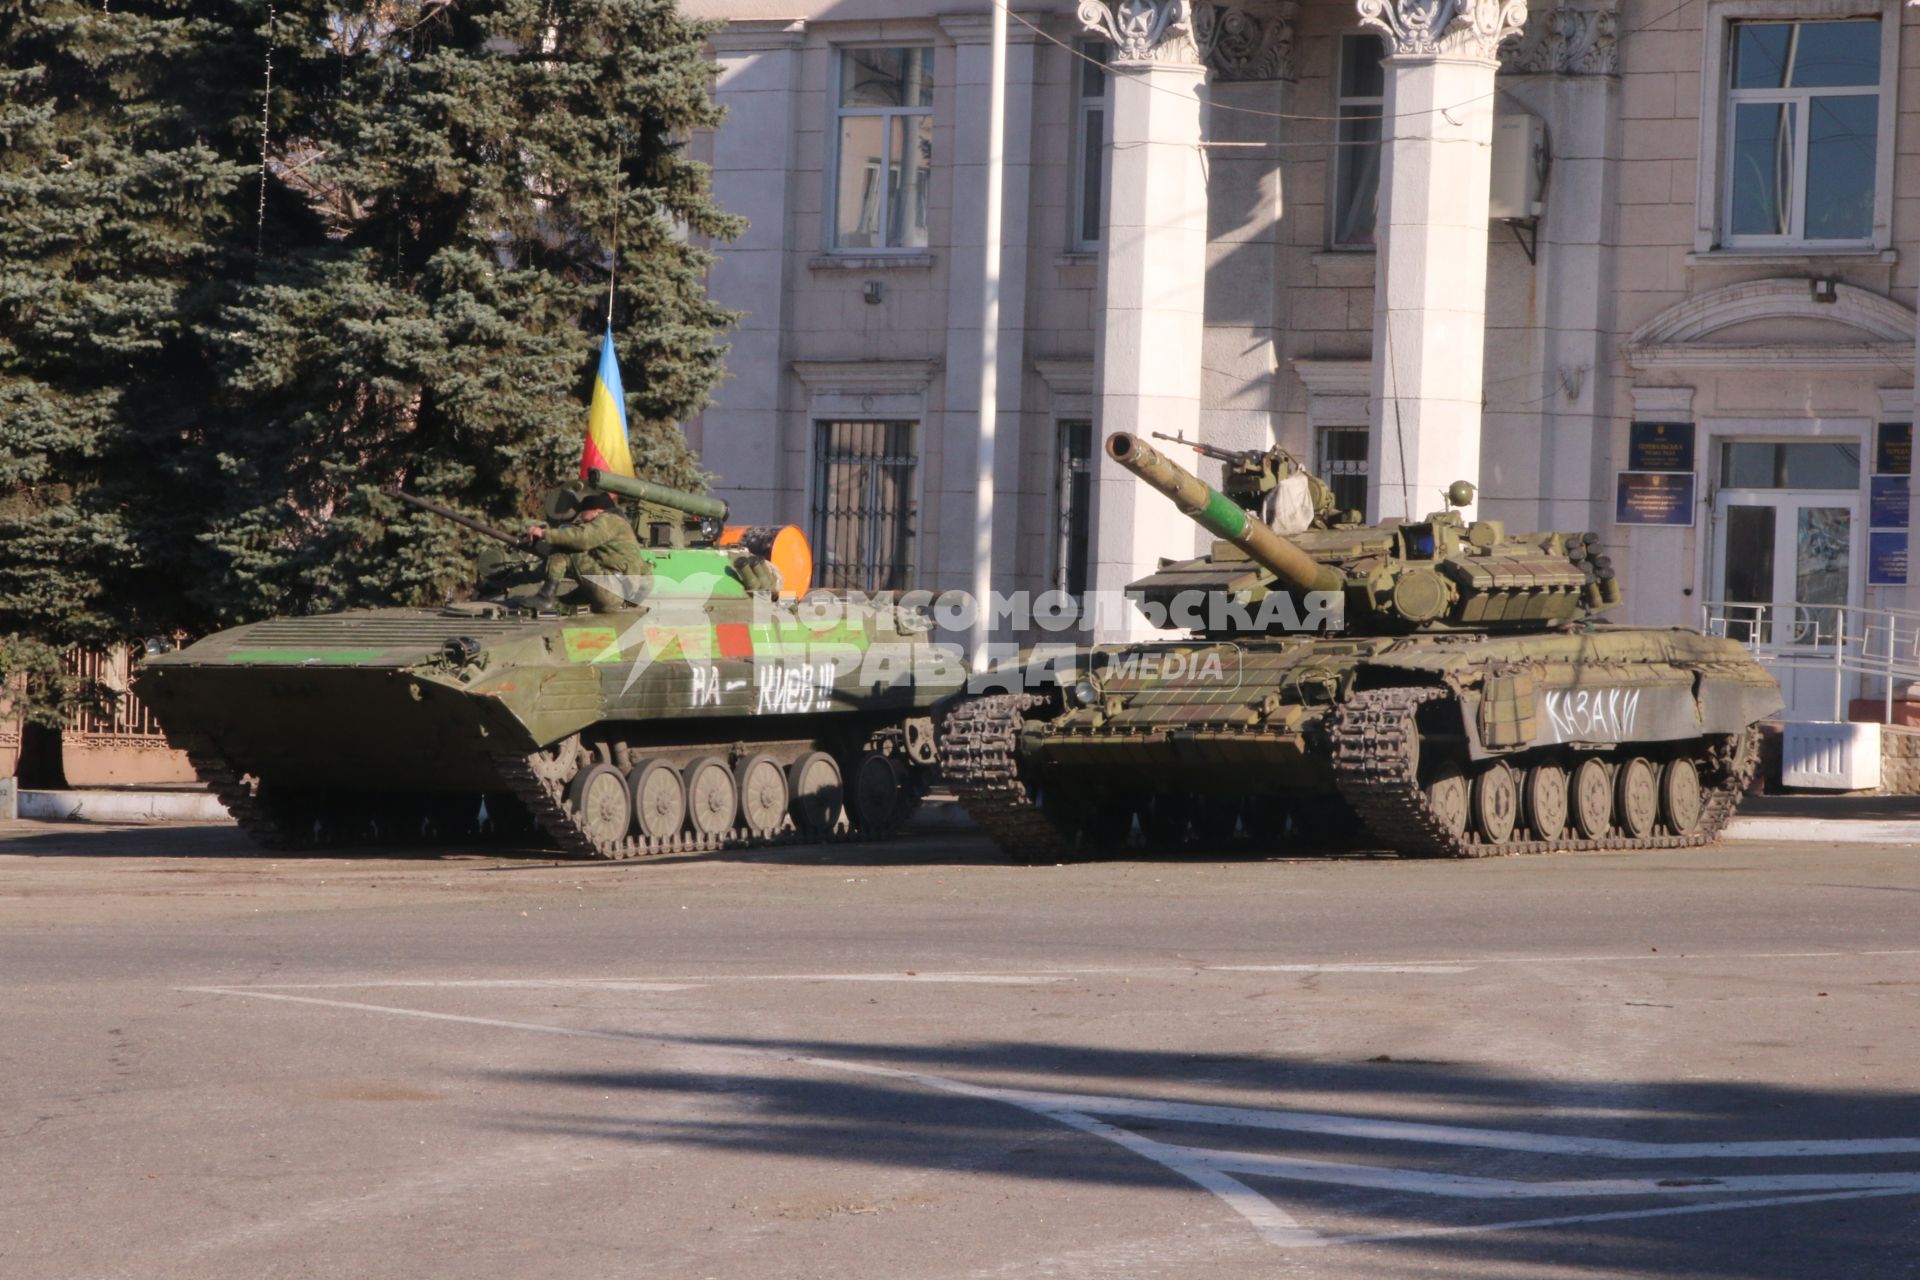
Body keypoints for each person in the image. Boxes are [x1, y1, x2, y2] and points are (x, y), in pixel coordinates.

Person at [526, 488, 651, 613]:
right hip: (616, 594)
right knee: (563, 601)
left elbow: (583, 538)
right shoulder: (620, 528)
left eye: (583, 513)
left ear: (596, 511)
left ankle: (545, 597)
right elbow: (646, 574)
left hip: (610, 590)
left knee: (566, 548)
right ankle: (556, 602)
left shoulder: (608, 519)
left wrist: (544, 534)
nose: (581, 519)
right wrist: (631, 601)